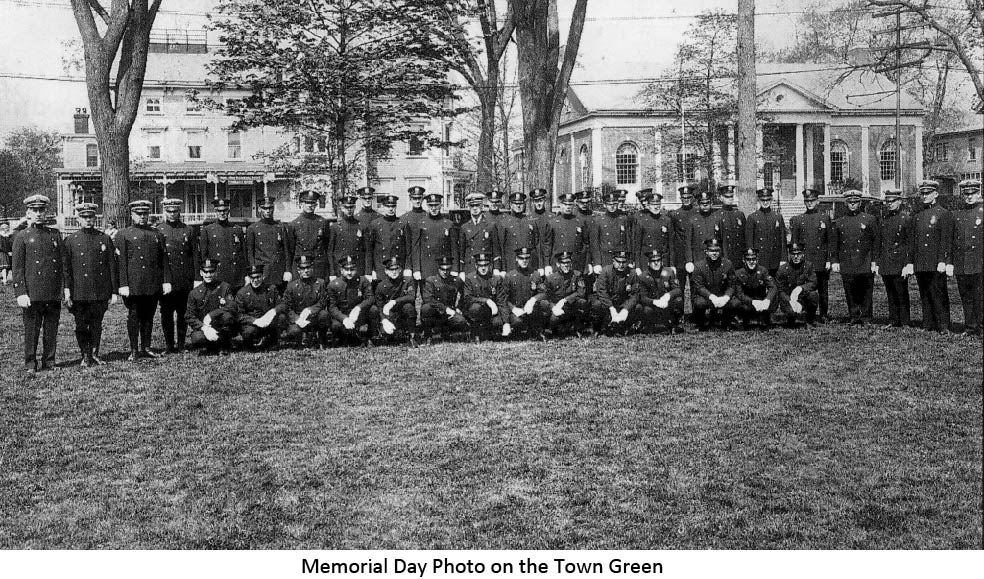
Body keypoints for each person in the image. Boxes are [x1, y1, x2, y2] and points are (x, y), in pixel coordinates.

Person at [11, 194, 64, 372]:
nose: (39, 213)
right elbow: (17, 268)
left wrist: (64, 288)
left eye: (41, 210)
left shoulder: (55, 234)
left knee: (51, 329)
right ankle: (30, 363)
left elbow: (62, 263)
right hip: (32, 292)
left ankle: (49, 360)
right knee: (32, 330)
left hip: (53, 291)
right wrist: (21, 292)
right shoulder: (22, 236)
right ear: (28, 213)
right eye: (35, 210)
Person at [62, 202, 118, 367]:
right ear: (79, 219)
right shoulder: (71, 240)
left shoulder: (104, 238)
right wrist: (67, 291)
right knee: (81, 324)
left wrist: (114, 291)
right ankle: (84, 354)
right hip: (79, 291)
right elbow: (66, 269)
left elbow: (111, 266)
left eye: (91, 217)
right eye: (84, 217)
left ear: (95, 218)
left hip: (99, 291)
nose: (88, 220)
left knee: (96, 324)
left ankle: (94, 353)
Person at [117, 199, 172, 360]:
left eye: (145, 214)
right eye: (138, 214)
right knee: (134, 315)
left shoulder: (156, 234)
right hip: (134, 284)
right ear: (132, 215)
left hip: (152, 283)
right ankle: (134, 349)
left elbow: (163, 260)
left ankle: (146, 347)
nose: (142, 217)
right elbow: (121, 262)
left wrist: (166, 280)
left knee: (149, 316)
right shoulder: (124, 234)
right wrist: (123, 284)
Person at [911, 180, 954, 333]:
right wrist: (912, 262)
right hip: (921, 261)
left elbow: (946, 239)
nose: (924, 196)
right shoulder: (917, 216)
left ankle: (943, 325)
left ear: (935, 194)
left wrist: (944, 260)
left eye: (927, 193)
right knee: (925, 293)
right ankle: (928, 323)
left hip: (936, 261)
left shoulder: (943, 213)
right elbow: (913, 241)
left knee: (938, 293)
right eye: (922, 193)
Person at [831, 189, 878, 326]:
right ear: (846, 203)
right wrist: (834, 261)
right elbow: (835, 243)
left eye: (855, 202)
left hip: (865, 260)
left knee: (866, 290)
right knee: (850, 290)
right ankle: (854, 315)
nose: (852, 205)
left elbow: (875, 241)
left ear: (860, 203)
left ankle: (867, 316)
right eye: (850, 202)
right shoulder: (839, 222)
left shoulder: (869, 219)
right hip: (847, 261)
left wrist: (875, 261)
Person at [159, 198, 200, 352]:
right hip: (167, 280)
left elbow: (195, 255)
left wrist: (197, 278)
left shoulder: (188, 230)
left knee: (183, 313)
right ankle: (169, 345)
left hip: (185, 279)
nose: (172, 214)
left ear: (179, 212)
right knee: (166, 313)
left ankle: (182, 344)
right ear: (165, 212)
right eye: (169, 211)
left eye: (175, 211)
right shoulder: (159, 230)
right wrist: (163, 280)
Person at [789, 188, 832, 322]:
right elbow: (794, 243)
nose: (810, 203)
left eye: (812, 201)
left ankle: (824, 314)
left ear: (817, 201)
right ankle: (807, 313)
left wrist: (829, 259)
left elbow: (830, 240)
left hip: (821, 260)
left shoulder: (825, 218)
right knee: (805, 289)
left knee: (823, 290)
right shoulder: (799, 219)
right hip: (805, 262)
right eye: (807, 201)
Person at [874, 189, 913, 328]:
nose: (890, 204)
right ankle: (893, 319)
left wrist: (907, 264)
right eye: (887, 201)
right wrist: (877, 262)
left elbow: (909, 243)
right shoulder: (883, 219)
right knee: (890, 292)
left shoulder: (906, 218)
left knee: (901, 292)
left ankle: (905, 321)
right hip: (886, 261)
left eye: (893, 201)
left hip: (900, 262)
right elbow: (879, 242)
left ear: (899, 202)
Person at [185, 258, 238, 354]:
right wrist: (204, 328)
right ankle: (211, 345)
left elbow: (232, 306)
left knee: (228, 317)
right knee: (197, 338)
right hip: (204, 327)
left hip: (220, 326)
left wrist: (211, 315)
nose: (208, 275)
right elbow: (189, 316)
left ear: (216, 272)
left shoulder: (224, 287)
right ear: (201, 273)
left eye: (211, 271)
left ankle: (224, 344)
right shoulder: (194, 293)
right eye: (206, 272)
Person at [277, 255, 330, 348]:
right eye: (302, 268)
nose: (306, 271)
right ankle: (300, 340)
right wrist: (296, 318)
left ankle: (321, 338)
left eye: (308, 267)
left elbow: (323, 301)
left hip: (314, 317)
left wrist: (311, 310)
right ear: (298, 270)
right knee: (294, 331)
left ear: (312, 268)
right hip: (299, 318)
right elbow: (286, 306)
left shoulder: (320, 283)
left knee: (324, 315)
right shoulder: (292, 286)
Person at [952, 179, 982, 336]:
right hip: (962, 263)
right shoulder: (958, 215)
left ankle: (981, 327)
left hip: (979, 263)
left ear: (978, 193)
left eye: (973, 193)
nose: (969, 197)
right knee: (966, 297)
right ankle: (970, 326)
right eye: (966, 194)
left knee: (980, 297)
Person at [410, 193, 459, 284]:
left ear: (441, 205)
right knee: (427, 296)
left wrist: (455, 269)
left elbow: (454, 248)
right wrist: (416, 269)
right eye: (430, 205)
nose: (433, 208)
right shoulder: (421, 224)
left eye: (436, 205)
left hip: (444, 268)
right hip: (426, 268)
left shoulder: (448, 224)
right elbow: (415, 248)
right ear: (427, 206)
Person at [325, 254, 374, 345]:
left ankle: (370, 337)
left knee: (373, 310)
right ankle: (343, 338)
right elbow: (332, 307)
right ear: (341, 270)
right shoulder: (333, 285)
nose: (349, 272)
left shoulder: (363, 281)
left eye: (352, 269)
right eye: (346, 270)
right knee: (336, 326)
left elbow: (370, 298)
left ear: (356, 269)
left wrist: (358, 308)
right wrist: (344, 319)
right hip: (343, 314)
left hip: (358, 315)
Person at [200, 197, 247, 290]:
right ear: (215, 211)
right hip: (217, 275)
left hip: (235, 275)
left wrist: (245, 275)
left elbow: (243, 254)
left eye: (225, 210)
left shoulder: (237, 229)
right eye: (219, 211)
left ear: (228, 211)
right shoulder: (208, 230)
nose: (222, 213)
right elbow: (203, 255)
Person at [246, 196, 291, 293]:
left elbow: (286, 251)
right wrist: (252, 273)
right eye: (264, 208)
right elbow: (250, 254)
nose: (267, 211)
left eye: (270, 208)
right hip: (261, 272)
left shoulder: (280, 227)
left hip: (278, 270)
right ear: (259, 209)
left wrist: (287, 270)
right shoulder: (253, 228)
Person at [589, 248, 639, 335]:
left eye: (624, 262)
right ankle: (598, 328)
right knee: (597, 304)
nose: (621, 265)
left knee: (638, 307)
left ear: (627, 262)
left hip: (622, 302)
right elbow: (601, 292)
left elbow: (635, 294)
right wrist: (611, 308)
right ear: (613, 261)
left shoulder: (632, 273)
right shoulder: (606, 271)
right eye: (618, 262)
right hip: (608, 302)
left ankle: (626, 327)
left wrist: (625, 310)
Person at [633, 248, 684, 334]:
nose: (656, 263)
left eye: (658, 260)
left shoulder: (669, 271)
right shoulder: (643, 276)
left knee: (678, 301)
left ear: (661, 262)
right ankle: (649, 325)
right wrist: (655, 302)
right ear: (648, 263)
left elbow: (678, 289)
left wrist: (668, 296)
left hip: (666, 305)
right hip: (653, 306)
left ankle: (674, 324)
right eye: (653, 261)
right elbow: (642, 297)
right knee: (645, 310)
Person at [419, 256, 468, 343]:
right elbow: (428, 299)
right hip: (435, 312)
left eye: (448, 269)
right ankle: (428, 335)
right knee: (426, 308)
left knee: (461, 321)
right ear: (438, 268)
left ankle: (446, 331)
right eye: (442, 269)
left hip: (449, 314)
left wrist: (459, 307)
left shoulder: (456, 280)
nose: (445, 272)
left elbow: (465, 294)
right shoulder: (430, 280)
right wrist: (445, 309)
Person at [501, 247, 547, 339]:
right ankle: (517, 331)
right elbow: (504, 298)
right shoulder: (509, 276)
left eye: (526, 258)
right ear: (517, 259)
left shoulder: (535, 274)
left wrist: (533, 300)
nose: (524, 261)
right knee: (517, 322)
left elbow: (544, 292)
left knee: (544, 304)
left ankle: (536, 330)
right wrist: (514, 309)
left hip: (530, 310)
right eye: (521, 258)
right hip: (517, 310)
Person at [690, 238, 736, 331]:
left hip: (721, 295)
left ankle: (726, 322)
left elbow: (732, 284)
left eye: (716, 250)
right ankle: (701, 323)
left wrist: (726, 297)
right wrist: (711, 297)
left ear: (720, 251)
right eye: (711, 251)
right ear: (706, 252)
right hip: (706, 296)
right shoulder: (699, 266)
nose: (714, 253)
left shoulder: (727, 264)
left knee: (735, 303)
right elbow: (699, 287)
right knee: (699, 303)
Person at [236, 264, 284, 350]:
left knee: (282, 318)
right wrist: (254, 321)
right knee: (248, 332)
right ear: (249, 278)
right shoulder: (242, 293)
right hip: (253, 323)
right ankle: (250, 344)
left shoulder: (271, 289)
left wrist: (273, 312)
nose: (255, 280)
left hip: (267, 321)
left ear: (263, 276)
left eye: (258, 277)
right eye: (252, 278)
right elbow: (239, 315)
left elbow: (282, 304)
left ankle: (272, 340)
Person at [370, 256, 417, 345]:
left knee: (409, 307)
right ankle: (379, 335)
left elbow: (411, 296)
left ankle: (412, 336)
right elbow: (379, 307)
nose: (394, 272)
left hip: (402, 313)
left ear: (400, 269)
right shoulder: (381, 286)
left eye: (396, 269)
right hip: (389, 315)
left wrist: (394, 301)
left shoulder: (407, 281)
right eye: (391, 269)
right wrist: (384, 320)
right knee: (387, 334)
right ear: (386, 271)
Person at [541, 250, 589, 336]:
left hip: (571, 306)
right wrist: (553, 307)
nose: (566, 265)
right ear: (558, 264)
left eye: (568, 262)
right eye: (563, 263)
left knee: (583, 303)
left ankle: (578, 328)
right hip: (558, 308)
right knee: (554, 321)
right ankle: (556, 329)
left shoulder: (577, 275)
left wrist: (565, 300)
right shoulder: (551, 278)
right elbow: (545, 296)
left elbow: (581, 292)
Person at [287, 190, 331, 280]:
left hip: (318, 266)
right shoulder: (294, 224)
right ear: (302, 204)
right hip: (302, 265)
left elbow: (327, 246)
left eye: (313, 203)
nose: (310, 205)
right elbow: (291, 249)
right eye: (307, 202)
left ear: (316, 204)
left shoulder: (323, 222)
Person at [462, 252, 506, 341]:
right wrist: (487, 301)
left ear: (490, 265)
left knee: (499, 322)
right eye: (480, 265)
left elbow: (501, 300)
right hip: (475, 311)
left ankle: (488, 331)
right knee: (476, 308)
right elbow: (468, 298)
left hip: (491, 312)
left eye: (485, 265)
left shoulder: (495, 279)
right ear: (475, 265)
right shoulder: (470, 278)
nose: (483, 268)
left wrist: (506, 323)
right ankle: (475, 332)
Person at [745, 187, 787, 277]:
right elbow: (749, 242)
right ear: (759, 200)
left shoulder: (777, 217)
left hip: (775, 259)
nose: (765, 202)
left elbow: (783, 240)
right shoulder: (752, 218)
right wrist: (751, 260)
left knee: (776, 286)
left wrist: (783, 259)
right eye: (762, 200)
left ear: (771, 200)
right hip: (760, 260)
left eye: (768, 199)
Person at [457, 192, 501, 280]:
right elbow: (461, 252)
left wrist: (496, 268)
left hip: (485, 266)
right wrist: (461, 271)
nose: (475, 208)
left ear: (482, 207)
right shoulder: (464, 227)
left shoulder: (490, 226)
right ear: (469, 207)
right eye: (472, 206)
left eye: (477, 205)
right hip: (470, 268)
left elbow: (496, 249)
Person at [732, 248, 778, 329]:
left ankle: (766, 317)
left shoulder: (763, 270)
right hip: (747, 301)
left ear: (757, 259)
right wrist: (752, 302)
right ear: (744, 260)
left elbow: (772, 287)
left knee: (774, 298)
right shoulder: (739, 273)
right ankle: (744, 319)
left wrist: (767, 300)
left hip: (761, 300)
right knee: (738, 303)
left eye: (753, 259)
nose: (751, 261)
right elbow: (739, 294)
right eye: (748, 259)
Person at [365, 194, 408, 280]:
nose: (391, 209)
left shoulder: (403, 224)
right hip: (381, 268)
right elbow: (369, 250)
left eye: (393, 206)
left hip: (398, 267)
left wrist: (407, 268)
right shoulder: (375, 224)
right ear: (382, 207)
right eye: (387, 206)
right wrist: (370, 270)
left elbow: (408, 249)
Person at [776, 243, 819, 327]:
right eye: (793, 254)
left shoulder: (808, 266)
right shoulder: (783, 269)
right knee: (791, 313)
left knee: (813, 295)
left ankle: (810, 320)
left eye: (798, 254)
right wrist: (791, 301)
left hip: (803, 297)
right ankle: (790, 319)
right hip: (788, 299)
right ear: (789, 255)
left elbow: (813, 282)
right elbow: (780, 290)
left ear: (803, 254)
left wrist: (800, 288)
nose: (796, 257)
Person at [631, 188, 674, 271]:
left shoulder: (667, 220)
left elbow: (671, 245)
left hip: (663, 260)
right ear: (648, 205)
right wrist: (637, 266)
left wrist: (672, 264)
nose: (656, 206)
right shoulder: (641, 222)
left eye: (658, 204)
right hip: (646, 260)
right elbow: (637, 246)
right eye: (653, 204)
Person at [328, 193, 368, 280]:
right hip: (340, 268)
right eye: (346, 207)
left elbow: (367, 251)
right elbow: (330, 252)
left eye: (351, 207)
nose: (349, 210)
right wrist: (332, 272)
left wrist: (367, 272)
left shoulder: (361, 226)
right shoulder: (335, 227)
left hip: (357, 268)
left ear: (354, 208)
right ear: (342, 208)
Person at [589, 190, 628, 276]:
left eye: (614, 204)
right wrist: (597, 263)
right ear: (605, 205)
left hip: (621, 259)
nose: (612, 207)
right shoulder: (598, 220)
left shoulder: (623, 219)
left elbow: (628, 241)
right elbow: (595, 244)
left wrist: (630, 260)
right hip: (605, 259)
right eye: (609, 204)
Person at [499, 192, 539, 274]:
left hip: (528, 263)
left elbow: (537, 244)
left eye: (520, 203)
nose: (518, 206)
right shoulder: (504, 223)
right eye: (515, 203)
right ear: (511, 205)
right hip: (511, 264)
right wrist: (502, 268)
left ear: (524, 205)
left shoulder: (531, 221)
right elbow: (501, 248)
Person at [686, 191, 723, 275]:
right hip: (698, 258)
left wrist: (723, 258)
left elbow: (722, 240)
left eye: (707, 203)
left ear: (711, 203)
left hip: (714, 258)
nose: (705, 205)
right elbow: (688, 242)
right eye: (702, 203)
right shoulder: (692, 220)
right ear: (699, 204)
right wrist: (689, 260)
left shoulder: (717, 219)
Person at [670, 184, 697, 294]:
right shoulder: (675, 214)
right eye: (684, 198)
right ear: (680, 198)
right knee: (680, 287)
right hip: (680, 256)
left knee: (695, 286)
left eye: (688, 197)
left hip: (694, 255)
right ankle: (680, 310)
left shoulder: (697, 213)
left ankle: (695, 310)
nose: (686, 200)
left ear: (692, 198)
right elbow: (672, 238)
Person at [717, 183, 746, 266]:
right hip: (725, 256)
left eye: (731, 196)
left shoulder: (739, 214)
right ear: (721, 198)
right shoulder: (717, 215)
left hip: (738, 256)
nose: (730, 199)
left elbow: (744, 237)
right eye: (727, 197)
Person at [529, 188, 554, 274]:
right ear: (533, 202)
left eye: (541, 200)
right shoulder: (528, 219)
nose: (538, 203)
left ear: (545, 200)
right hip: (534, 262)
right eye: (536, 201)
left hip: (550, 261)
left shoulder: (552, 218)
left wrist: (548, 264)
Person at [0, 220, 12, 288]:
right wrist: (7, 251)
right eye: (6, 228)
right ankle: (4, 280)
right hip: (2, 253)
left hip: (6, 253)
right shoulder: (1, 237)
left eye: (7, 228)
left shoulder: (7, 236)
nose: (7, 229)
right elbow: (1, 246)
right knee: (4, 267)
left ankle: (5, 279)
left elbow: (9, 245)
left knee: (6, 267)